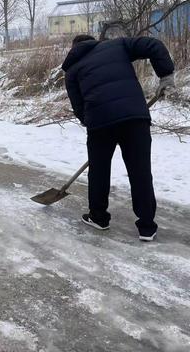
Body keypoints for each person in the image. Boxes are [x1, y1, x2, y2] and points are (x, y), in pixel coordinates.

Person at [62, 34, 175, 242]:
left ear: (73, 49)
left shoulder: (72, 71)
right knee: (140, 170)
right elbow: (153, 44)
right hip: (135, 117)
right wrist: (166, 75)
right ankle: (147, 227)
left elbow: (79, 108)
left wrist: (92, 121)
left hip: (100, 122)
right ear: (94, 41)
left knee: (99, 170)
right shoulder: (117, 46)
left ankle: (99, 218)